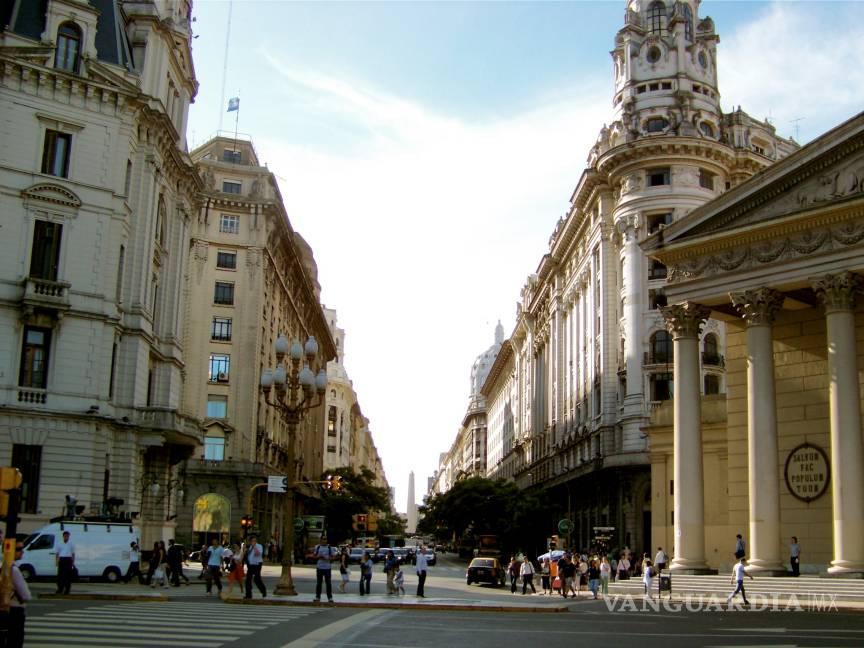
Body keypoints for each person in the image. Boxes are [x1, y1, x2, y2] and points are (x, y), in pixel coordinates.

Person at [8, 541, 32, 648]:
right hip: (15, 611)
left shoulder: (3, 566)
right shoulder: (14, 570)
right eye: (18, 549)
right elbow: (26, 596)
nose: (22, 551)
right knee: (16, 641)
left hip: (5, 609)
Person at [244, 534, 267, 599]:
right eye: (252, 541)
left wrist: (254, 547)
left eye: (254, 541)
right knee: (248, 580)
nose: (253, 542)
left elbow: (258, 554)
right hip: (250, 565)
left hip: (257, 564)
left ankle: (263, 591)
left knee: (257, 579)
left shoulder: (259, 546)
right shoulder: (250, 547)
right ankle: (248, 595)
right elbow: (248, 555)